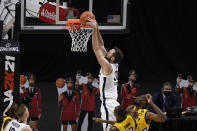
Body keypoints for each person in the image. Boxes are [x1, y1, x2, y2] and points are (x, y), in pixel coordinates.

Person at [87, 18, 124, 131]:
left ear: (112, 58)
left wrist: (93, 29)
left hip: (109, 103)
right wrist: (97, 27)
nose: (107, 52)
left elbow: (96, 48)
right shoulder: (114, 64)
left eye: (109, 52)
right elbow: (101, 45)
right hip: (112, 102)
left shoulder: (108, 67)